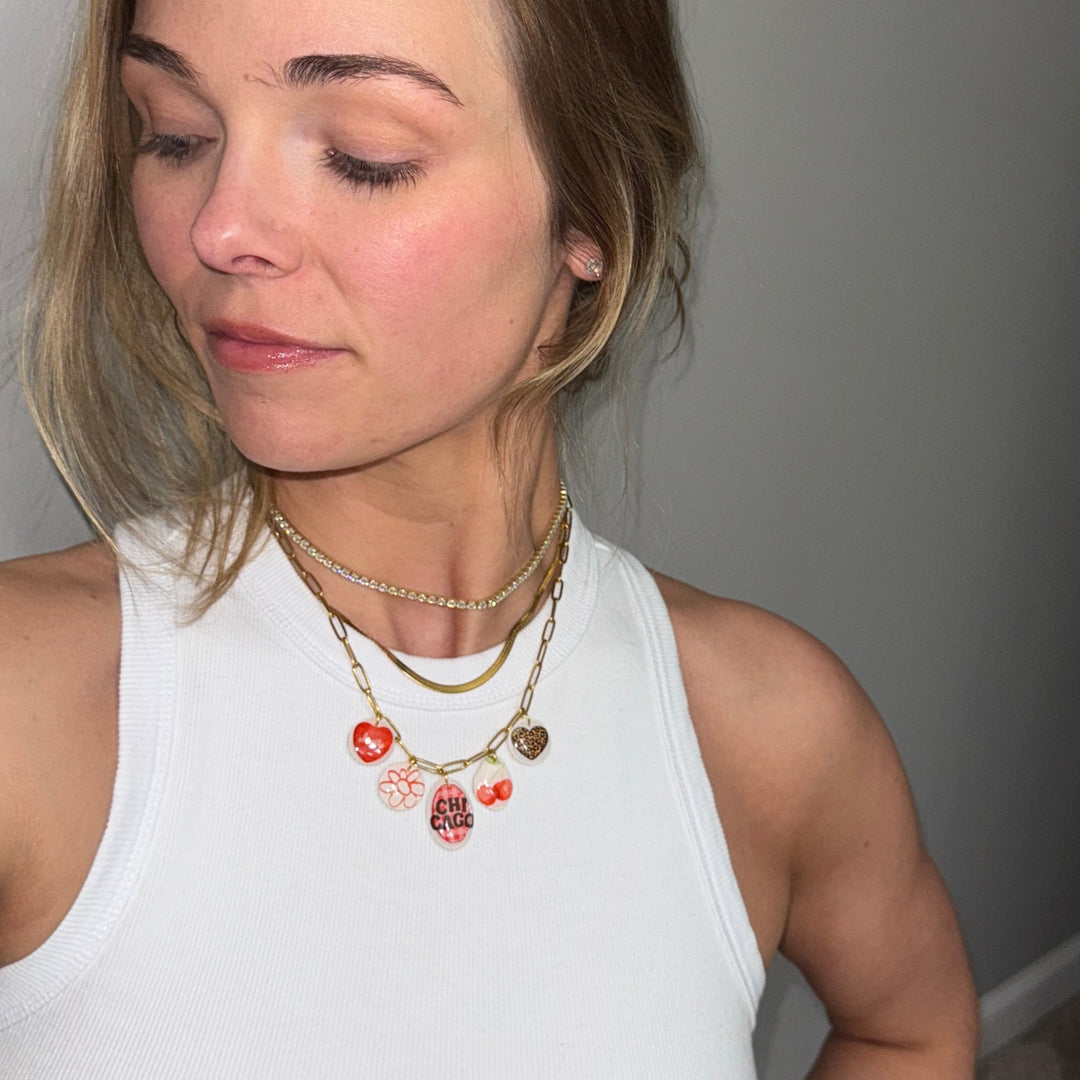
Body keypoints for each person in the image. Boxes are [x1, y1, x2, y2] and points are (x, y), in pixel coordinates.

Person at [0, 0, 977, 1075]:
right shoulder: (27, 706)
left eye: (365, 156)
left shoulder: (772, 729)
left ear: (592, 211)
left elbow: (910, 1029)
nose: (220, 228)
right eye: (177, 134)